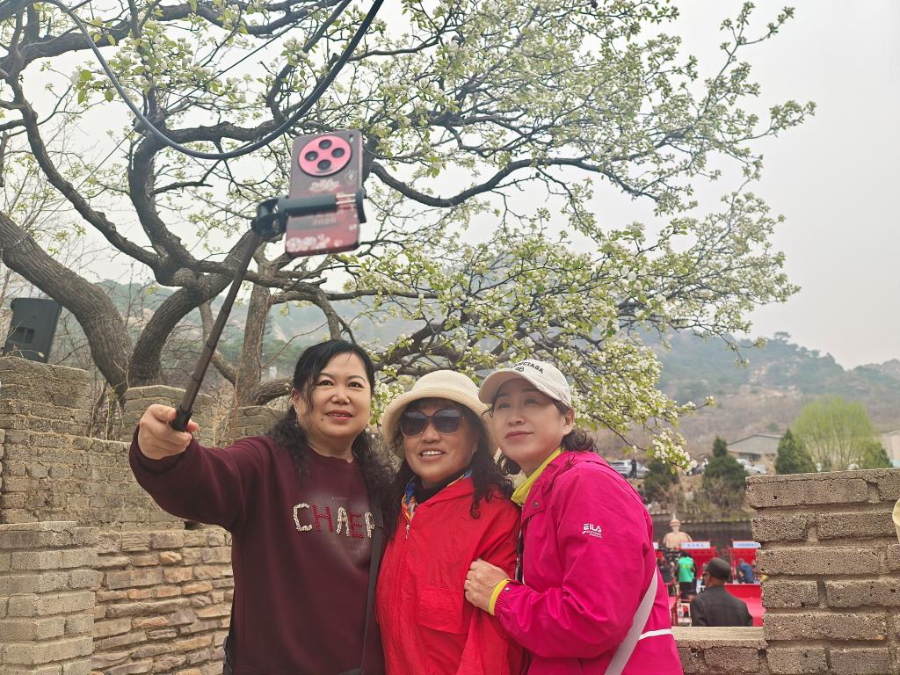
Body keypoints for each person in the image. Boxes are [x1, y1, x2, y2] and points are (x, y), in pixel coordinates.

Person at [129, 340, 391, 674]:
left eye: (355, 385)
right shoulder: (263, 463)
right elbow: (202, 477)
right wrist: (161, 450)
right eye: (325, 382)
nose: (341, 395)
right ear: (296, 399)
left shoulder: (384, 487)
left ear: (370, 400)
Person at [463, 359, 681, 674]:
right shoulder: (543, 491)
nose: (514, 416)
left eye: (531, 401)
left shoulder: (587, 483)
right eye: (503, 405)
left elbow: (593, 619)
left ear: (567, 419)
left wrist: (500, 595)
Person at [376, 371, 523, 675]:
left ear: (476, 439)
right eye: (414, 423)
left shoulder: (499, 518)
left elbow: (492, 649)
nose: (429, 435)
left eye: (447, 421)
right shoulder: (394, 511)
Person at [690, 558, 754, 627]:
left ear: (708, 576)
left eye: (704, 575)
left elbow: (699, 632)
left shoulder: (699, 603)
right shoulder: (742, 606)